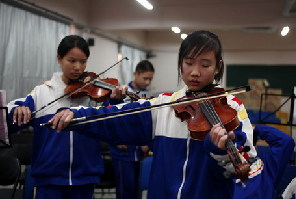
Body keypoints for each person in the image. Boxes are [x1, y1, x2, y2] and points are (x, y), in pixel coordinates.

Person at [48, 30, 261, 199]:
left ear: (218, 67)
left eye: (205, 65)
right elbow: (115, 116)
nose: (195, 72)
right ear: (180, 64)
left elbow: (248, 165)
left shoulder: (232, 108)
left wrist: (220, 150)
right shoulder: (164, 104)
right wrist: (75, 114)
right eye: (188, 63)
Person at [7, 35, 124, 199]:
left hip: (84, 177)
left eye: (83, 62)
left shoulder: (95, 94)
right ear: (59, 59)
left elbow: (109, 124)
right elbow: (10, 120)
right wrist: (18, 109)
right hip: (49, 178)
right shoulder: (42, 92)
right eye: (72, 61)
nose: (78, 67)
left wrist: (115, 99)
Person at [105, 60, 155, 199]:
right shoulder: (121, 92)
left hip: (139, 152)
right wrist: (115, 139)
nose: (147, 82)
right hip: (123, 152)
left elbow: (145, 122)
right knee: (125, 191)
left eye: (150, 79)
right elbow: (110, 120)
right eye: (145, 78)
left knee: (136, 191)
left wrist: (146, 142)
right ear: (135, 74)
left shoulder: (147, 94)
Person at [233, 125, 295, 199]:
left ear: (255, 148)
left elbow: (286, 141)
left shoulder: (267, 165)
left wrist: (252, 128)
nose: (237, 151)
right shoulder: (220, 166)